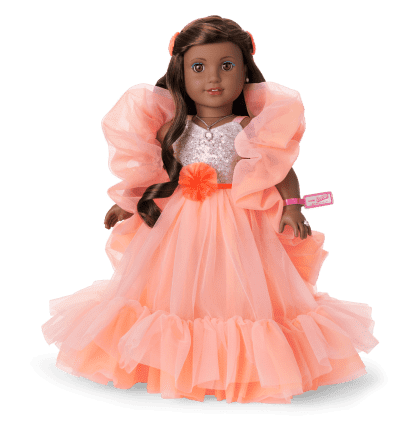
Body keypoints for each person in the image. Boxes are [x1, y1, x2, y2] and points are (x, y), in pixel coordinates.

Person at [41, 16, 379, 404]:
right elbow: (154, 170)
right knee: (173, 285)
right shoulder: (174, 127)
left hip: (241, 219)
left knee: (241, 287)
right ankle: (165, 363)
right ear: (180, 74)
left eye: (227, 65)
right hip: (181, 220)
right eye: (198, 67)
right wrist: (127, 202)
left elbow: (278, 169)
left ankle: (249, 371)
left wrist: (291, 206)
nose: (213, 78)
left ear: (245, 72)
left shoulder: (250, 125)